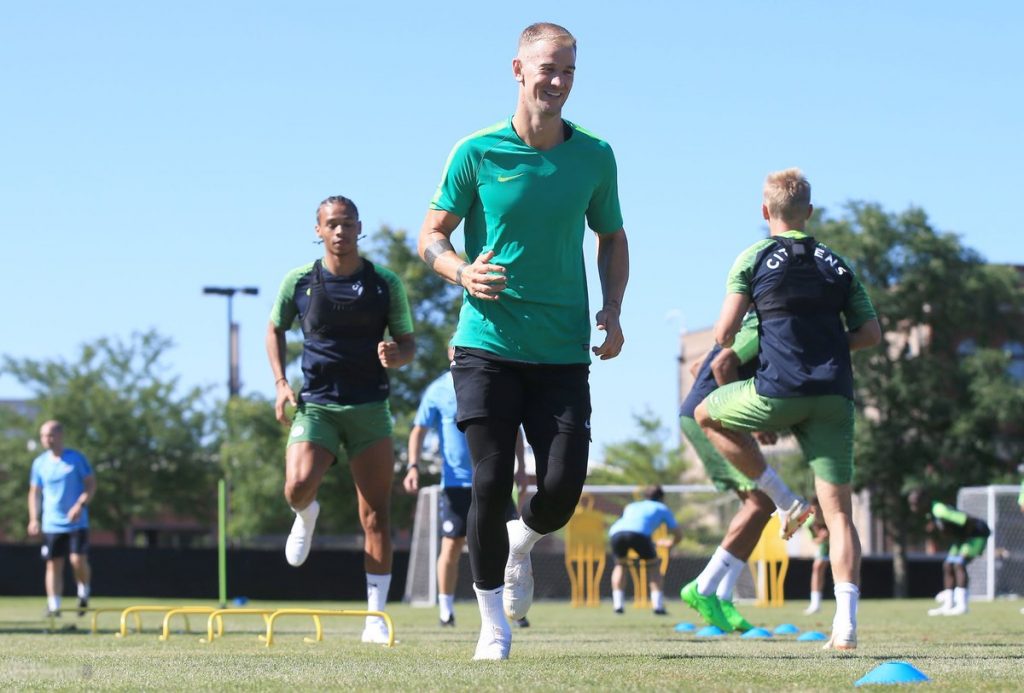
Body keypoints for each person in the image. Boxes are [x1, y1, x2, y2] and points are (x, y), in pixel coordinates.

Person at [417, 22, 629, 660]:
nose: (558, 82)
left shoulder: (595, 155)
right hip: (486, 344)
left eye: (568, 71)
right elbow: (429, 236)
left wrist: (613, 309)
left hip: (562, 350)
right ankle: (491, 625)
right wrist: (461, 270)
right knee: (488, 481)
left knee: (562, 488)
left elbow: (612, 237)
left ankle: (523, 540)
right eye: (548, 70)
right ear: (518, 70)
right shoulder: (476, 152)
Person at [694, 168, 881, 651]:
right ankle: (847, 626)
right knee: (839, 514)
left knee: (706, 415)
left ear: (765, 212)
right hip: (834, 395)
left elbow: (722, 335)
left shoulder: (754, 256)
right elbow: (870, 335)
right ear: (809, 213)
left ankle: (782, 499)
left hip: (776, 390)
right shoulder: (839, 265)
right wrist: (827, 344)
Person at [266, 195, 415, 645]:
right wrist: (279, 382)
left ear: (359, 228)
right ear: (318, 230)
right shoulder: (299, 282)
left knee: (375, 516)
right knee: (296, 486)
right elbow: (274, 328)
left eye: (348, 224)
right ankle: (306, 513)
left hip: (370, 408)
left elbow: (408, 343)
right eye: (331, 224)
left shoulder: (384, 282)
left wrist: (397, 354)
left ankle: (374, 617)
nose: (340, 232)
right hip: (318, 406)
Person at [402, 345, 528, 628]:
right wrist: (413, 466)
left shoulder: (494, 379)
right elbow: (418, 429)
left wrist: (520, 468)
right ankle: (445, 610)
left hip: (495, 478)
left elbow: (513, 427)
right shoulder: (437, 390)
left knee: (508, 544)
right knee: (452, 544)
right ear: (449, 352)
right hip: (457, 484)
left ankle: (514, 604)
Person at [678, 311, 777, 633]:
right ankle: (703, 589)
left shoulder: (741, 329)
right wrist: (745, 418)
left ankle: (723, 598)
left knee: (761, 506)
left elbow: (698, 368)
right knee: (761, 502)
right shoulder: (760, 327)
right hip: (711, 420)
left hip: (706, 416)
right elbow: (721, 367)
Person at [27, 420, 96, 618]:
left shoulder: (76, 459)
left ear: (59, 436)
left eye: (49, 435)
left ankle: (83, 592)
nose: (46, 439)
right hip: (51, 523)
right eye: (42, 436)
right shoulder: (39, 463)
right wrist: (34, 518)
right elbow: (35, 492)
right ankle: (54, 606)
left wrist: (80, 505)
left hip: (76, 521)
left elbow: (90, 484)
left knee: (77, 560)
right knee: (53, 564)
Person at [908, 489, 990, 616]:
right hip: (962, 538)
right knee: (947, 565)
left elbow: (967, 520)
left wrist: (965, 540)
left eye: (916, 503)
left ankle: (962, 606)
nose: (914, 508)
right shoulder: (931, 512)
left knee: (959, 564)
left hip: (976, 534)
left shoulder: (940, 510)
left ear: (925, 501)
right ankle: (948, 604)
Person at [607, 485, 682, 616]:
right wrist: (671, 543)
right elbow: (678, 533)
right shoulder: (661, 508)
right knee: (653, 567)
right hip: (639, 534)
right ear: (662, 498)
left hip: (616, 533)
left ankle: (618, 605)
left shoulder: (632, 506)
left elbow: (629, 527)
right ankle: (658, 606)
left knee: (620, 565)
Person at [804, 497, 831, 615]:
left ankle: (853, 602)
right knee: (817, 567)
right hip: (825, 546)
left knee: (849, 568)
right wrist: (822, 538)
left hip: (839, 544)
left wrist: (830, 533)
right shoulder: (809, 523)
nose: (816, 514)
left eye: (818, 511)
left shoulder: (831, 516)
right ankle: (815, 604)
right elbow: (815, 540)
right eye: (814, 511)